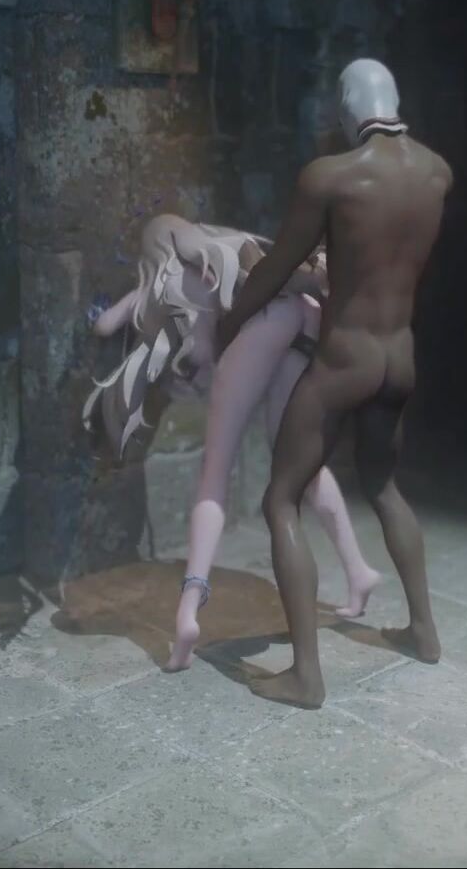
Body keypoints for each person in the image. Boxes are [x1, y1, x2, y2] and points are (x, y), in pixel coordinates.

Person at [216, 58, 451, 708]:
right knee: (382, 486)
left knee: (281, 499)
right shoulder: (438, 173)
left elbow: (275, 269)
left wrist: (228, 324)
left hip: (346, 359)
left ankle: (306, 675)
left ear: (346, 110)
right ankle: (424, 633)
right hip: (399, 357)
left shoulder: (332, 177)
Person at [86, 214, 382, 672]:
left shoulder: (165, 281)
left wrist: (103, 306)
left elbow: (105, 324)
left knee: (215, 473)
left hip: (266, 327)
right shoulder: (231, 249)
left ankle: (188, 611)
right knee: (297, 460)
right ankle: (358, 571)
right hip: (304, 318)